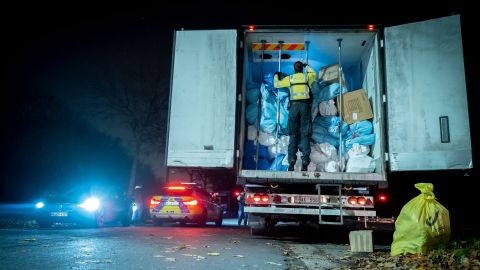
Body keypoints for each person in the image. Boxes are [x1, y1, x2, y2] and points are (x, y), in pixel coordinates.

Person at [274, 61, 317, 171]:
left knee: (293, 135)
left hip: (294, 108)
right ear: (301, 69)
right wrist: (307, 66)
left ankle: (292, 161)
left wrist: (276, 75)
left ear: (294, 69)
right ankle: (305, 161)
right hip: (305, 108)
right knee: (305, 134)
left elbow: (276, 84)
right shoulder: (307, 77)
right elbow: (314, 74)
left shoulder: (290, 79)